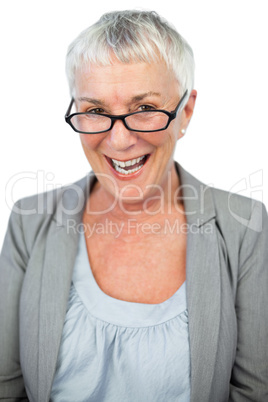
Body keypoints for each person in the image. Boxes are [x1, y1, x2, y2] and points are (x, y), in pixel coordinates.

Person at [0, 9, 267, 402]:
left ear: (185, 112)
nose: (120, 140)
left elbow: (254, 393)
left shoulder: (244, 227)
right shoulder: (29, 223)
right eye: (95, 111)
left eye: (144, 109)